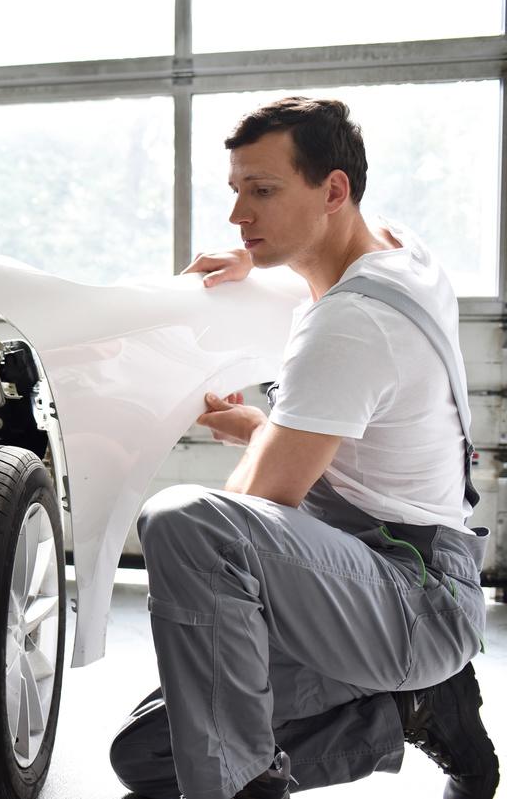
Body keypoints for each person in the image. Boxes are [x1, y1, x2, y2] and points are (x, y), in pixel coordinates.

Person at [108, 97, 498, 799]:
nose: (238, 215)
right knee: (147, 752)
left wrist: (263, 443)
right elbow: (353, 437)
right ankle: (409, 706)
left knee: (185, 521)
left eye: (262, 192)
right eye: (236, 191)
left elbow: (254, 507)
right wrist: (259, 263)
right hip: (375, 579)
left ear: (334, 189)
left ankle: (249, 787)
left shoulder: (351, 323)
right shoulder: (403, 252)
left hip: (412, 600)